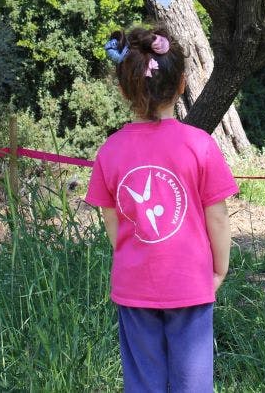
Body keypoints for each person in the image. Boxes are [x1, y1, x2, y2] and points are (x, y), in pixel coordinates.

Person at [85, 25, 238, 393]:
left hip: (134, 285)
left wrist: (131, 257)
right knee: (193, 382)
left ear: (123, 88)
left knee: (143, 381)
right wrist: (218, 270)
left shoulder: (111, 150)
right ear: (182, 83)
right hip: (190, 283)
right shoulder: (200, 145)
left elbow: (111, 219)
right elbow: (216, 217)